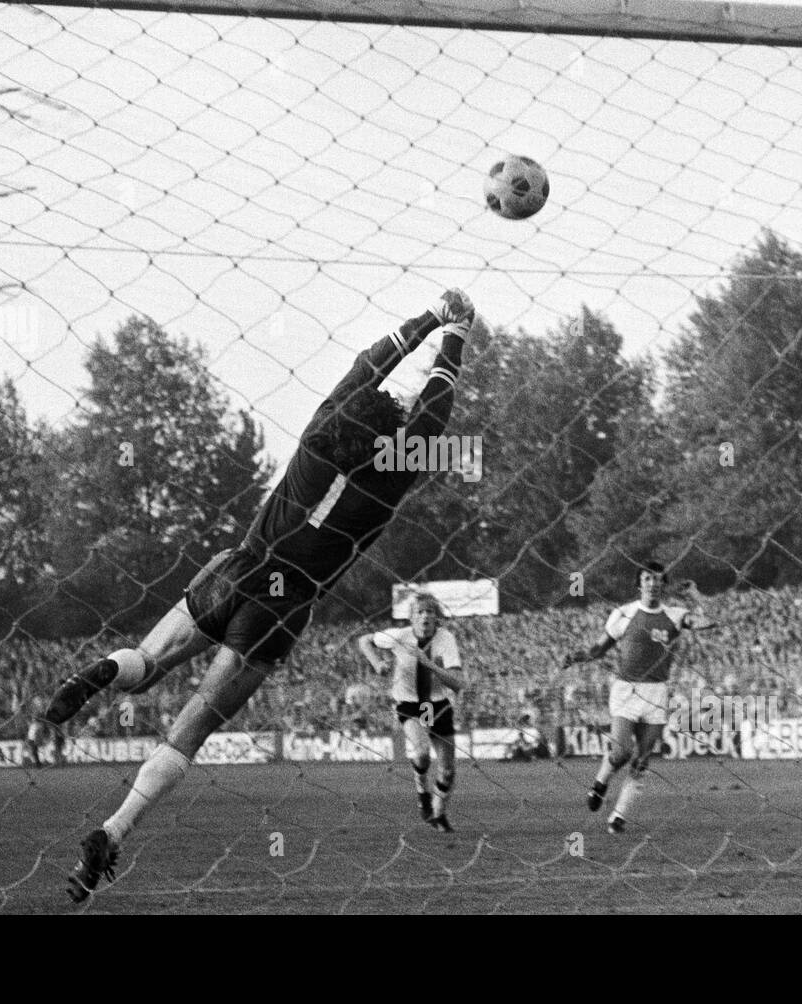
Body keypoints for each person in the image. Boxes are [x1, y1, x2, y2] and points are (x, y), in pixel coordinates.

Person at [35, 288, 477, 901]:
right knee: (190, 729)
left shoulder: (322, 434)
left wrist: (433, 319)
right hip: (283, 604)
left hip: (236, 567)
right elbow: (436, 413)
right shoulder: (395, 472)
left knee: (146, 665)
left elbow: (367, 365)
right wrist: (458, 339)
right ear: (394, 436)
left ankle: (107, 669)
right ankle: (112, 831)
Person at [562, 562, 716, 834]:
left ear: (663, 584)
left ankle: (619, 816)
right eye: (647, 578)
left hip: (657, 692)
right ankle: (601, 782)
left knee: (642, 759)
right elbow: (599, 649)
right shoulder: (623, 614)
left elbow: (708, 622)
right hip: (626, 690)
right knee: (620, 752)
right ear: (639, 583)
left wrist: (696, 595)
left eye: (658, 579)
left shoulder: (676, 615)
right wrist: (577, 657)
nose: (652, 583)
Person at [356, 593, 464, 832]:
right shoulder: (399, 636)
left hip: (437, 704)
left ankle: (438, 813)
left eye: (430, 611)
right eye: (420, 612)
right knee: (423, 752)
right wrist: (376, 663)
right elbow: (364, 640)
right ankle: (421, 790)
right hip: (409, 703)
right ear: (412, 617)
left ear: (437, 617)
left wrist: (430, 664)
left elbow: (457, 683)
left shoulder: (446, 639)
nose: (425, 615)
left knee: (447, 770)